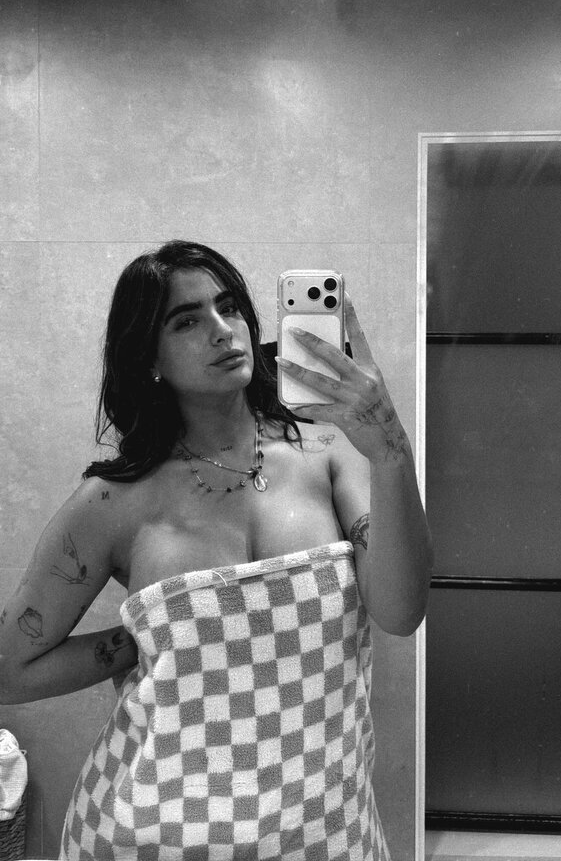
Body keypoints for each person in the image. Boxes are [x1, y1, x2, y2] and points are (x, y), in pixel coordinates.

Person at [0, 240, 433, 861]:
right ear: (148, 357)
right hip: (148, 836)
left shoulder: (332, 455)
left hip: (326, 833)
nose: (223, 330)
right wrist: (138, 641)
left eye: (229, 308)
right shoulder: (113, 502)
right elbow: (10, 670)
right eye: (186, 320)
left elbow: (401, 612)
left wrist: (390, 449)